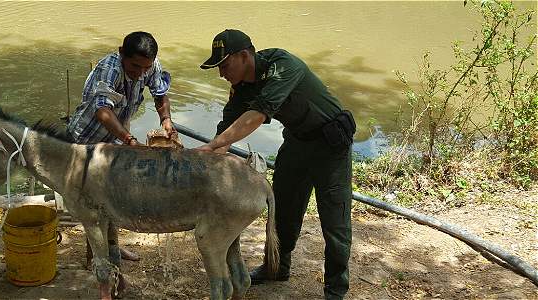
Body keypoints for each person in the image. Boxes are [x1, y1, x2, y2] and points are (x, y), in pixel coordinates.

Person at [197, 29, 355, 300]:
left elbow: (257, 115)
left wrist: (211, 147)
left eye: (224, 65)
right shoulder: (241, 87)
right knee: (283, 209)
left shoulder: (282, 66)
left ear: (245, 55)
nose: (221, 73)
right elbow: (227, 126)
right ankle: (278, 268)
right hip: (297, 143)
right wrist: (208, 155)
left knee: (335, 222)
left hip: (331, 146)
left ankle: (335, 290)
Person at [66, 31, 177, 271]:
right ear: (121, 53)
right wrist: (129, 140)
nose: (140, 73)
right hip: (86, 139)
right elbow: (103, 112)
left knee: (111, 196)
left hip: (115, 140)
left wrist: (166, 120)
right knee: (92, 201)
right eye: (135, 66)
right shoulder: (110, 70)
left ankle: (112, 246)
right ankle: (95, 255)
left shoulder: (150, 66)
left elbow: (160, 94)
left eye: (145, 68)